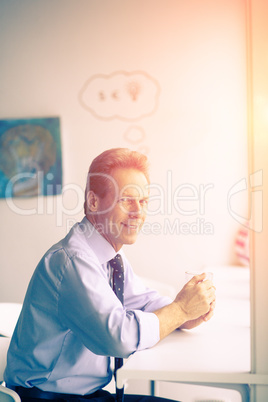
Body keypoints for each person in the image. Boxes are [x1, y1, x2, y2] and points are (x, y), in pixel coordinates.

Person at [5, 148, 216, 402]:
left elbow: (143, 301)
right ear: (94, 202)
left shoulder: (109, 255)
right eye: (127, 199)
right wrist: (180, 310)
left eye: (144, 200)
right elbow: (119, 337)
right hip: (46, 398)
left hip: (90, 396)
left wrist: (189, 313)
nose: (138, 211)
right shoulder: (72, 260)